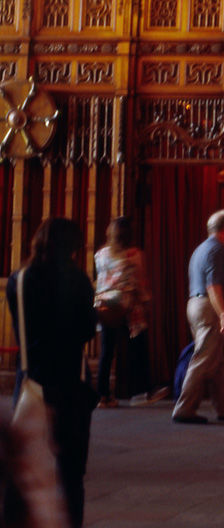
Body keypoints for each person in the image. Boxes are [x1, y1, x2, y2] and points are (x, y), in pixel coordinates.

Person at [5, 218, 97, 528]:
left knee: (20, 467)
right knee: (71, 472)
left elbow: (23, 327)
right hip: (70, 382)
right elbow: (86, 330)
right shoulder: (78, 281)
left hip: (32, 379)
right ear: (73, 246)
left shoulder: (18, 280)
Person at [173, 209, 224, 424]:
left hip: (195, 304)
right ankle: (184, 409)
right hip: (209, 307)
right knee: (204, 357)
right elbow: (213, 285)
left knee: (216, 361)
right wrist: (223, 314)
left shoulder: (201, 249)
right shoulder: (217, 250)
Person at [93, 216, 165, 407]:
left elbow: (101, 280)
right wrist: (146, 302)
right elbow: (140, 284)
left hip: (106, 306)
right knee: (139, 350)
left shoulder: (100, 255)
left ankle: (103, 396)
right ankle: (147, 390)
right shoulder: (135, 255)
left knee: (106, 353)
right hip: (129, 309)